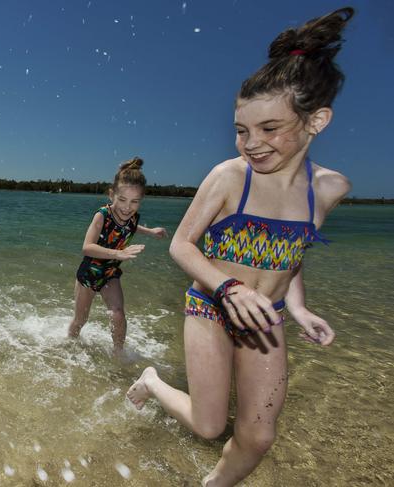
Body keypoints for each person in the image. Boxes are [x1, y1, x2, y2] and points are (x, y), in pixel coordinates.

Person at [127, 7, 354, 486]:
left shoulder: (329, 189)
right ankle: (151, 380)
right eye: (241, 129)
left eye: (269, 128)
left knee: (258, 436)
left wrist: (299, 307)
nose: (251, 143)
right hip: (211, 306)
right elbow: (183, 247)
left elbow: (291, 258)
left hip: (265, 316)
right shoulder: (230, 177)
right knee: (209, 426)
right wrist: (229, 287)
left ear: (317, 121)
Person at [68, 157, 168, 353]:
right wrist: (118, 253)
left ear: (141, 200)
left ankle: (118, 354)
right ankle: (68, 347)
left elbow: (130, 226)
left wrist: (150, 231)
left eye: (134, 202)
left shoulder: (132, 217)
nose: (127, 207)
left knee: (118, 314)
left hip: (111, 272)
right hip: (89, 273)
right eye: (122, 200)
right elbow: (87, 247)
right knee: (81, 320)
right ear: (111, 194)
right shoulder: (102, 215)